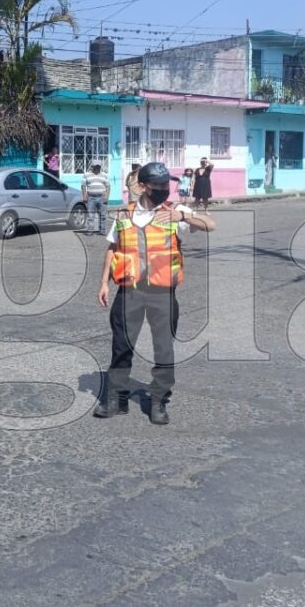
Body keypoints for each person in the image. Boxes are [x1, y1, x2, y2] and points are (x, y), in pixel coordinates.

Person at [95, 161, 216, 425]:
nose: (164, 189)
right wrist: (104, 282)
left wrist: (183, 217)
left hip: (162, 293)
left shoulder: (175, 212)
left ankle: (159, 400)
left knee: (163, 349)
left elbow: (211, 224)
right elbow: (112, 248)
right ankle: (117, 399)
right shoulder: (124, 216)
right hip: (129, 292)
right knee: (121, 347)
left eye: (166, 184)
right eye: (159, 184)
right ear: (143, 186)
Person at [81, 163, 111, 235]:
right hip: (91, 197)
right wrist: (84, 196)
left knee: (103, 215)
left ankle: (102, 231)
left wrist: (107, 197)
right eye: (96, 166)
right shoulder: (86, 175)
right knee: (90, 215)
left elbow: (108, 186)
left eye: (99, 166)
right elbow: (83, 186)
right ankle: (90, 230)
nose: (97, 168)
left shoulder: (105, 175)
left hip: (102, 197)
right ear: (92, 167)